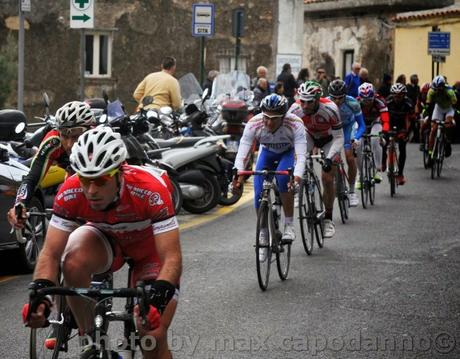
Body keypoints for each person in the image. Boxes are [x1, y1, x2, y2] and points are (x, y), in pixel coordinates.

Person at [16, 127, 182, 359]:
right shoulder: (72, 190)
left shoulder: (150, 190)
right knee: (72, 260)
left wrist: (158, 297)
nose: (91, 190)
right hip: (107, 241)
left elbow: (172, 257)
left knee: (151, 336)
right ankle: (90, 340)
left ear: (119, 173)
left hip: (148, 251)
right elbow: (51, 252)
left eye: (101, 180)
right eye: (85, 179)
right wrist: (42, 296)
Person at [233, 94, 307, 259]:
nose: (268, 122)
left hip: (286, 154)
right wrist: (237, 173)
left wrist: (296, 177)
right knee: (259, 195)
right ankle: (264, 235)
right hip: (266, 154)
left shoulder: (295, 124)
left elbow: (301, 155)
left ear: (283, 117)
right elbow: (243, 152)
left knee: (283, 180)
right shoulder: (254, 123)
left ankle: (289, 224)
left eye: (274, 119)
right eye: (266, 117)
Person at [8, 101, 95, 224]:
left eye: (76, 136)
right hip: (71, 175)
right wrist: (20, 204)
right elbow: (32, 178)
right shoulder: (53, 140)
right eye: (64, 136)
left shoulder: (98, 138)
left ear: (90, 130)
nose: (69, 144)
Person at [289, 81, 344, 238]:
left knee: (327, 178)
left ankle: (328, 219)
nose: (305, 106)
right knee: (295, 157)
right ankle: (299, 186)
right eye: (302, 100)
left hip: (329, 140)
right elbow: (290, 134)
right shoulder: (295, 109)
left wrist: (329, 158)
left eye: (309, 101)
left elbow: (339, 137)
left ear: (318, 99)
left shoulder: (330, 108)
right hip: (309, 136)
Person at [328, 79, 365, 207]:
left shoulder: (352, 103)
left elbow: (361, 125)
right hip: (333, 129)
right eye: (334, 98)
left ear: (345, 95)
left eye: (340, 98)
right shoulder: (325, 103)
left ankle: (352, 190)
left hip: (348, 128)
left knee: (349, 157)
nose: (337, 101)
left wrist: (357, 138)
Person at [356, 82, 390, 186]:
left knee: (375, 139)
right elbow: (351, 121)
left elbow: (386, 121)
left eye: (369, 100)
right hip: (360, 123)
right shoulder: (355, 103)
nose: (367, 103)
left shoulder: (380, 101)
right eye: (364, 101)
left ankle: (378, 170)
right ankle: (360, 173)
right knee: (357, 143)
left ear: (374, 96)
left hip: (375, 122)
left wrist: (383, 134)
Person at [383, 83, 415, 185]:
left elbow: (412, 120)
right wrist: (384, 130)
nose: (397, 98)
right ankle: (383, 161)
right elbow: (382, 117)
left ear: (404, 95)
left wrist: (408, 133)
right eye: (395, 96)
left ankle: (400, 174)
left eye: (400, 96)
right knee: (384, 141)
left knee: (402, 147)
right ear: (392, 95)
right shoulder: (387, 102)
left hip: (402, 126)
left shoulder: (409, 103)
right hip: (390, 123)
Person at [426, 75, 457, 158]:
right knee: (433, 130)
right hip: (438, 108)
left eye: (439, 89)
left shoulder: (450, 91)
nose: (437, 91)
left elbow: (455, 105)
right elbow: (428, 105)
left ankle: (447, 142)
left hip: (449, 108)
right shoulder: (431, 91)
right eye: (435, 89)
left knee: (447, 125)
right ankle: (430, 152)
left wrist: (451, 119)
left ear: (443, 86)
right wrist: (429, 118)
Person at [406, 74, 420, 142]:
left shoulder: (417, 87)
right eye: (416, 79)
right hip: (410, 107)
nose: (417, 80)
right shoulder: (408, 87)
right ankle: (407, 136)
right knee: (410, 123)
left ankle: (415, 137)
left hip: (415, 107)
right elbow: (409, 97)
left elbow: (418, 97)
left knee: (415, 123)